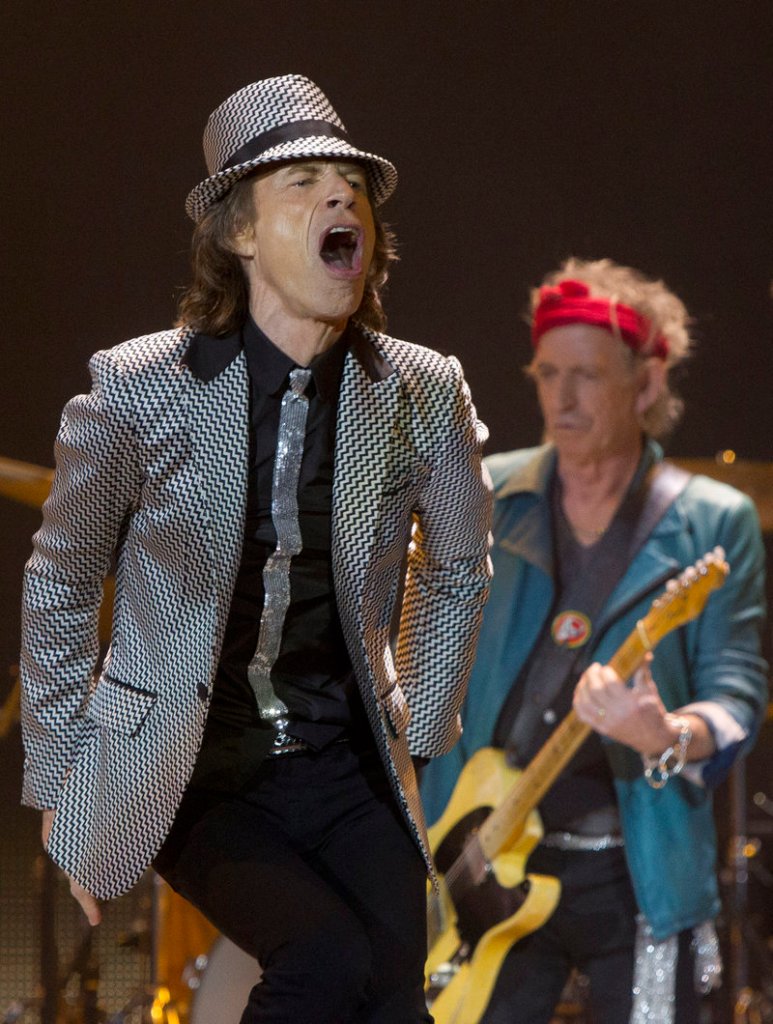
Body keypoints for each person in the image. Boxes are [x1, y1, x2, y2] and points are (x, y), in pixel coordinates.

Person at [19, 74, 492, 1024]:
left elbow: (455, 569)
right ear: (238, 233)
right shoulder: (135, 390)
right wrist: (65, 784)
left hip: (343, 760)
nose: (338, 197)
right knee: (322, 961)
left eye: (348, 183)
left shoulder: (420, 391)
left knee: (395, 988)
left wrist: (419, 736)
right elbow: (62, 582)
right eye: (303, 180)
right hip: (191, 768)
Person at [421, 258, 768, 1024]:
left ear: (645, 384)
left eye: (586, 376)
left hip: (640, 869)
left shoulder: (713, 523)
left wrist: (668, 732)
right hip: (484, 855)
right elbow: (426, 665)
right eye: (547, 373)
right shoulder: (487, 496)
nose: (561, 398)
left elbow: (739, 691)